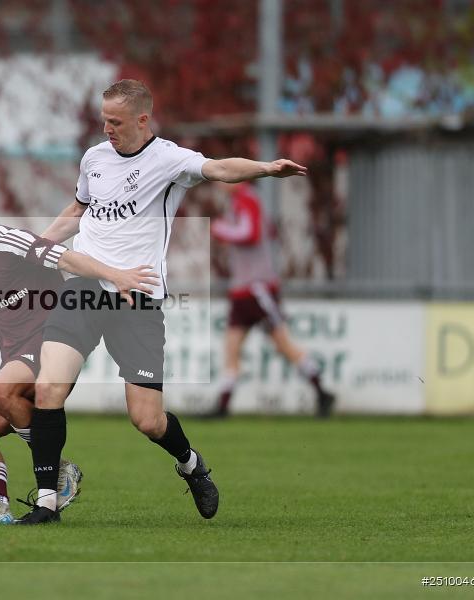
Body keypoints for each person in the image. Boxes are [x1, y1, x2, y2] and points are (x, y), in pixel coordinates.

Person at [16, 79, 309, 525]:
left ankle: (191, 464)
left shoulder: (169, 159)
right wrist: (36, 246)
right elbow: (77, 212)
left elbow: (219, 169)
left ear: (142, 119)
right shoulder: (94, 159)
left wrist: (266, 169)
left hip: (138, 297)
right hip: (83, 287)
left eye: (115, 122)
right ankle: (46, 504)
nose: (107, 129)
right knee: (48, 388)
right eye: (104, 121)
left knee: (148, 420)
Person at [0, 181, 158, 525]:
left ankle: (56, 470)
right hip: (16, 359)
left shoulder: (11, 242)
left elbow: (69, 259)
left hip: (52, 346)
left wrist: (116, 275)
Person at [207, 182, 336, 419]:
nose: (218, 181)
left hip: (258, 288)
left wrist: (220, 229)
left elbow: (250, 233)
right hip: (241, 290)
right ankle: (222, 406)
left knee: (282, 344)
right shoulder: (237, 202)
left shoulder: (247, 199)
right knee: (231, 348)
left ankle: (322, 391)